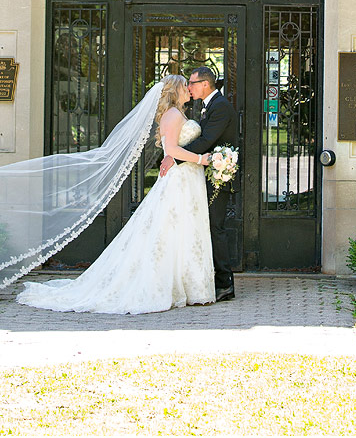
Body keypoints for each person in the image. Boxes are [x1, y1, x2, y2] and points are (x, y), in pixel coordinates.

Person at [16, 74, 215, 315]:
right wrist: (200, 159)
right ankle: (167, 285)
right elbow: (171, 148)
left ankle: (189, 285)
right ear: (175, 90)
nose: (189, 90)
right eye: (186, 86)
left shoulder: (179, 113)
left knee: (185, 229)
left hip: (188, 179)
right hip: (179, 181)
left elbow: (174, 151)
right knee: (170, 230)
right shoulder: (172, 115)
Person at [161, 65, 238, 302]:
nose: (189, 88)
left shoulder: (221, 107)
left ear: (205, 84)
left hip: (217, 176)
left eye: (192, 83)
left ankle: (225, 283)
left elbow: (206, 140)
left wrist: (173, 157)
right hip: (200, 175)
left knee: (215, 227)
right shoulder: (206, 106)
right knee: (200, 228)